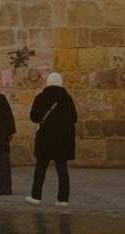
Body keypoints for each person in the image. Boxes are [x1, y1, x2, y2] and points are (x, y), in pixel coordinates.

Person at [26, 72, 77, 207]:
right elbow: (74, 118)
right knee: (62, 168)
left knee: (41, 167)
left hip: (45, 138)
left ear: (48, 82)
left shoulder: (41, 97)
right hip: (63, 139)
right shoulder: (67, 99)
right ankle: (63, 199)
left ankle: (36, 196)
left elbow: (34, 117)